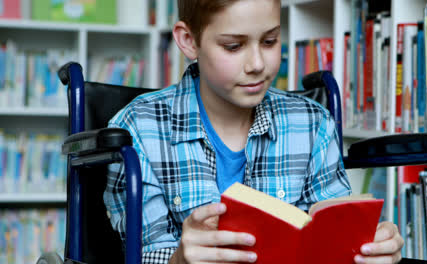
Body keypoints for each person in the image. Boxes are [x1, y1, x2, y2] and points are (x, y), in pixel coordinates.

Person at [104, 0, 404, 263]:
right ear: (188, 40)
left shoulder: (313, 123)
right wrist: (179, 260)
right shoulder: (137, 129)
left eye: (270, 41)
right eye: (233, 46)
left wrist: (369, 249)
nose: (258, 64)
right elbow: (143, 253)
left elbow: (333, 239)